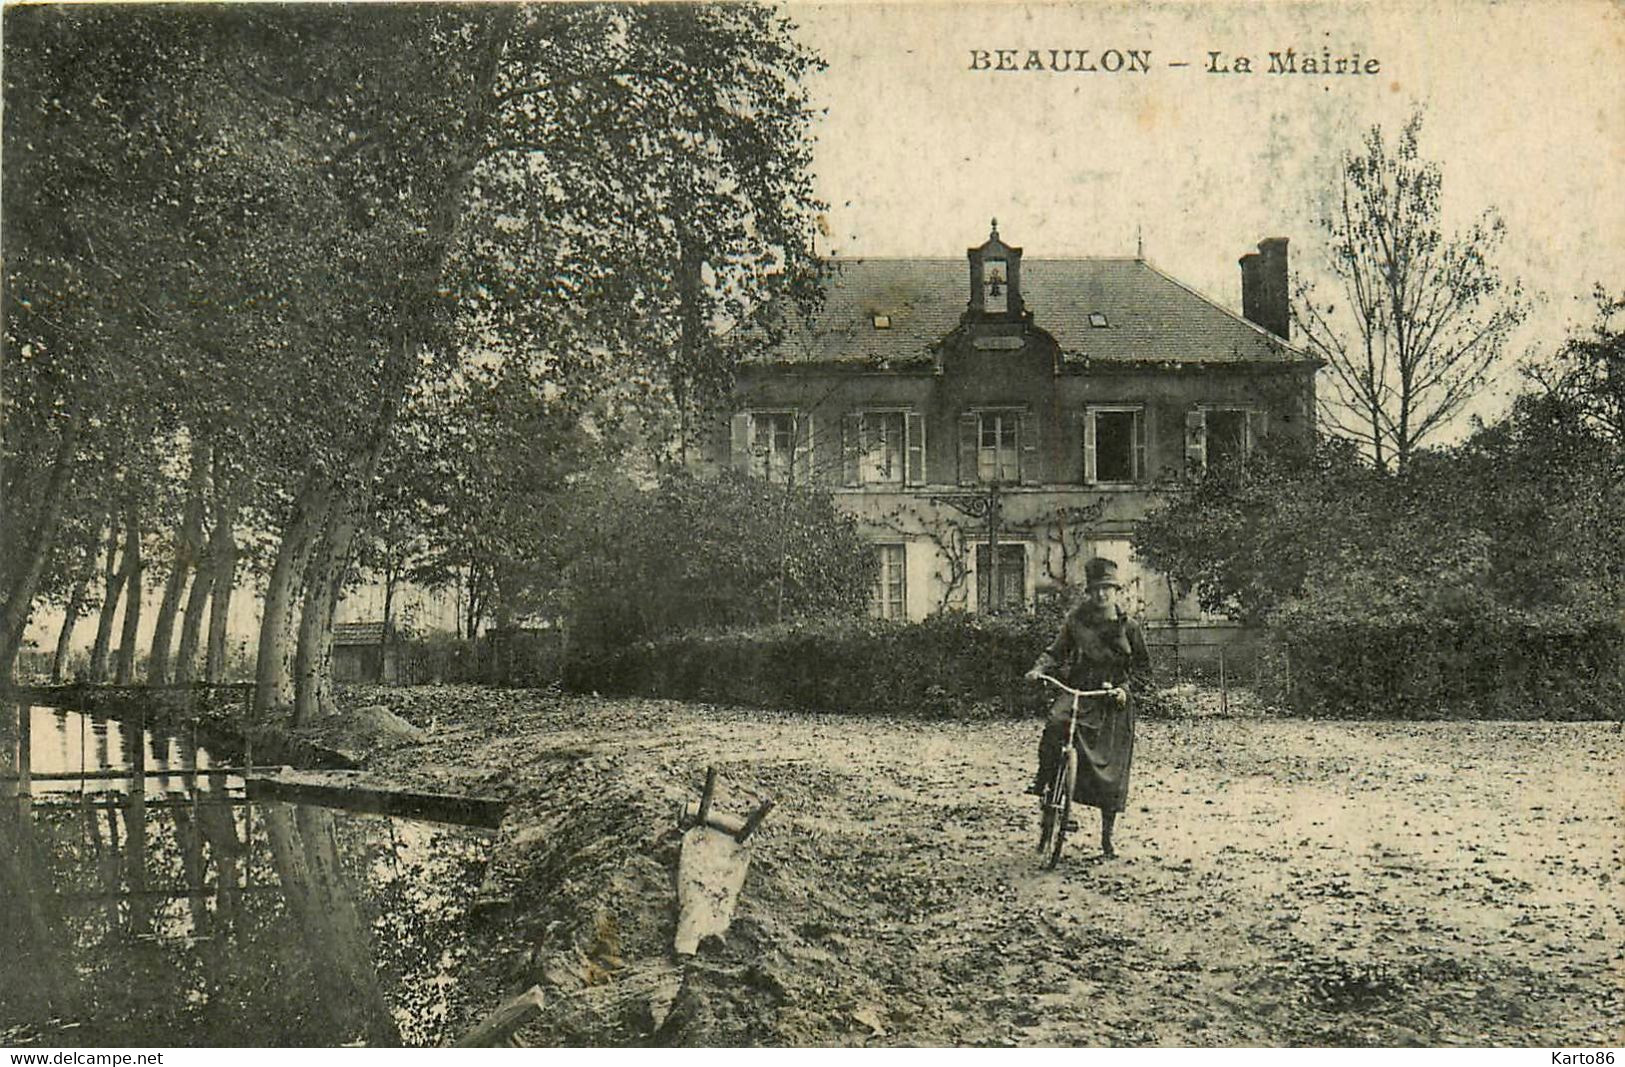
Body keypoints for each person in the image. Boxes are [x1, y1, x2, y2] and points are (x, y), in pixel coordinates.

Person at [1023, 557, 1152, 858]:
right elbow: (1055, 653)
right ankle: (1045, 784)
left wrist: (1125, 690)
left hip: (1113, 699)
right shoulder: (1075, 622)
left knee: (1112, 770)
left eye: (1108, 589)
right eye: (1096, 589)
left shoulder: (1128, 626)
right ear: (1089, 592)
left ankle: (1107, 838)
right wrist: (1038, 669)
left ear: (1116, 591)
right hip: (1080, 690)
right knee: (1056, 722)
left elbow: (1144, 670)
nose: (1102, 595)